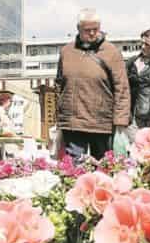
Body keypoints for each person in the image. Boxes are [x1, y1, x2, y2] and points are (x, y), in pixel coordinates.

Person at [55, 8, 130, 160]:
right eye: (87, 30)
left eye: (95, 29)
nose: (92, 33)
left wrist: (120, 122)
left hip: (102, 123)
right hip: (73, 123)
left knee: (105, 169)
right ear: (78, 29)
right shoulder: (66, 52)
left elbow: (122, 88)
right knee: (74, 170)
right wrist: (60, 117)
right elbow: (59, 85)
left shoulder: (111, 52)